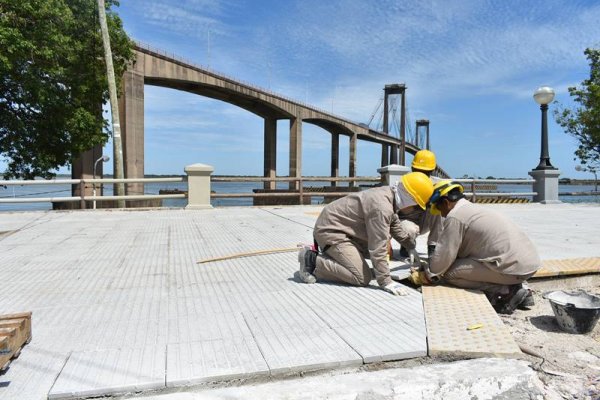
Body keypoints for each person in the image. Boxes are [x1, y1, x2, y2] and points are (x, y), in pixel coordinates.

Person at [297, 172, 434, 296]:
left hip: (345, 231)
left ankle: (337, 256)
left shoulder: (388, 195)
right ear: (409, 198)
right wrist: (386, 282)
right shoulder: (382, 207)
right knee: (361, 278)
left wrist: (410, 246)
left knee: (378, 263)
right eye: (416, 205)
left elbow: (395, 225)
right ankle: (312, 261)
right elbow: (378, 246)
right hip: (331, 232)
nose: (414, 210)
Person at [421, 181, 540, 314]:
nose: (441, 215)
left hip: (513, 269)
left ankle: (507, 290)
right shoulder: (474, 210)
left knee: (449, 274)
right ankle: (518, 287)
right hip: (529, 265)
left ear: (445, 202)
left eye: (440, 209)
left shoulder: (455, 217)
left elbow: (440, 264)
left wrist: (425, 272)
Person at [399, 149, 443, 258]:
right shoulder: (404, 184)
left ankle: (433, 246)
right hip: (407, 222)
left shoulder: (437, 184)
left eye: (425, 172)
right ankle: (406, 244)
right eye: (419, 171)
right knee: (408, 229)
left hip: (425, 222)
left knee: (439, 208)